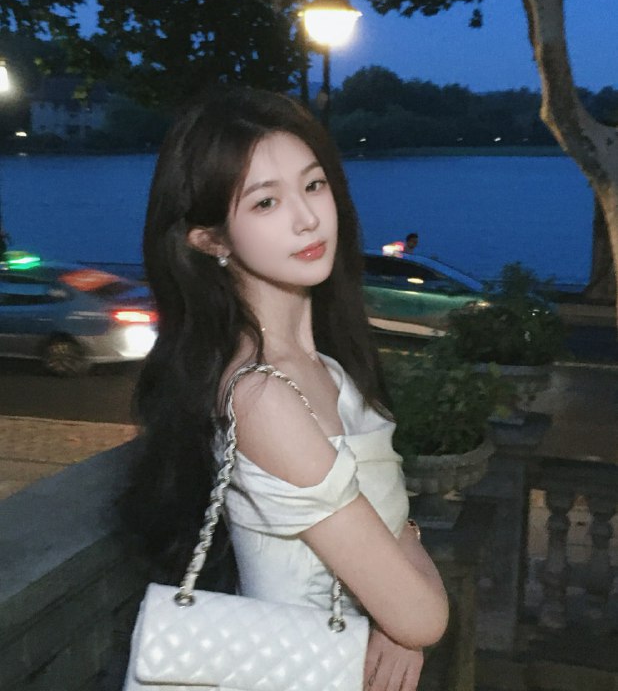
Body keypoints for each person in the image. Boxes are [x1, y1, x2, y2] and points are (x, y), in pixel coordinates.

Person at [123, 86, 448, 691]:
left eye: (314, 185)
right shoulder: (263, 395)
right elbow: (423, 617)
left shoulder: (327, 367)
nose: (307, 218)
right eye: (266, 202)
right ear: (211, 239)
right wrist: (402, 571)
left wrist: (398, 580)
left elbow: (403, 597)